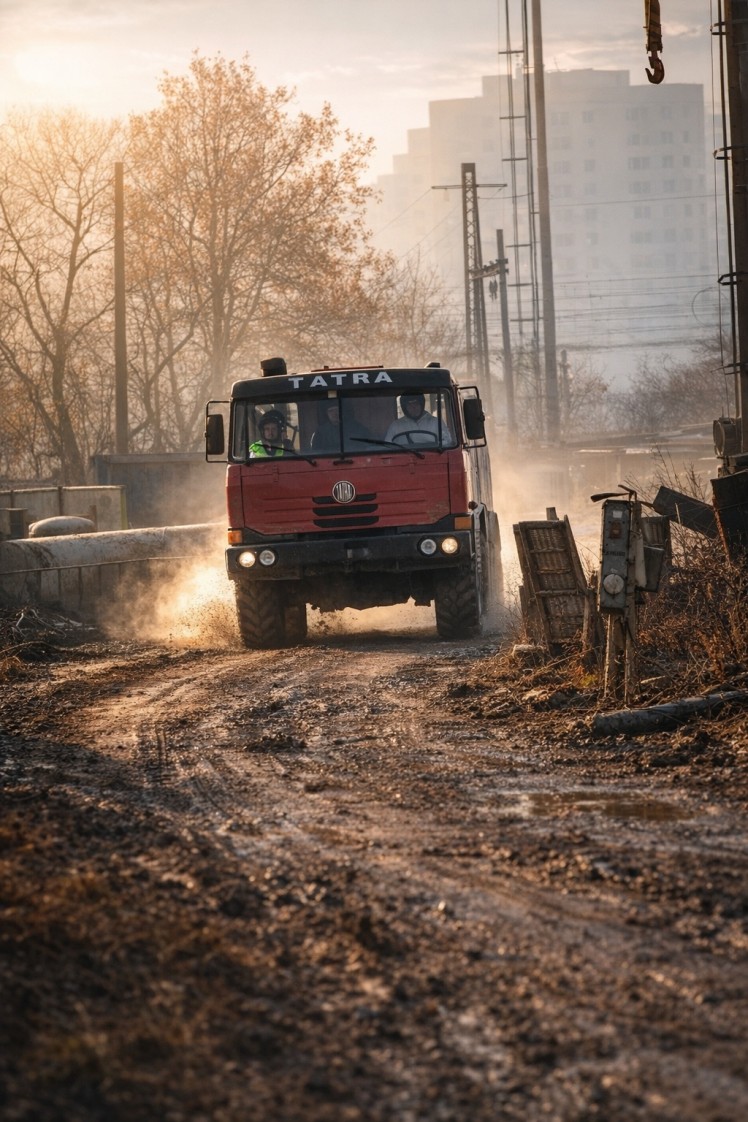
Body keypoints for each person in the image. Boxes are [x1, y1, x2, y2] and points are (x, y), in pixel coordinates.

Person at [384, 392, 452, 446]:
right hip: (403, 458)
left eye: (416, 404)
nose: (414, 408)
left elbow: (448, 442)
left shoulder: (436, 422)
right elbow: (388, 446)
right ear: (404, 407)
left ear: (422, 404)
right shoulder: (396, 425)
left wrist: (432, 447)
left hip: (432, 457)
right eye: (409, 405)